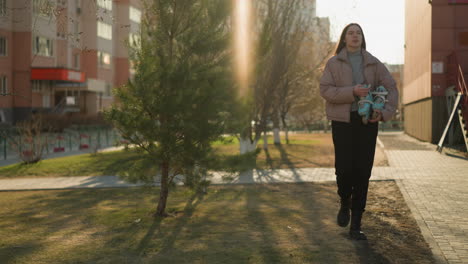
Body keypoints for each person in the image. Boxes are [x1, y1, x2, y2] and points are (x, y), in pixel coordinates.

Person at [319, 23, 399, 240]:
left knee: (362, 171)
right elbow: (325, 90)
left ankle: (356, 225)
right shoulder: (334, 63)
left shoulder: (373, 62)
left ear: (363, 38)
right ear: (344, 39)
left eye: (358, 33)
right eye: (350, 33)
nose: (355, 36)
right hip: (342, 122)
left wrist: (383, 113)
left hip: (367, 122)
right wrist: (352, 91)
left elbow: (391, 88)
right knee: (344, 169)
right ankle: (344, 201)